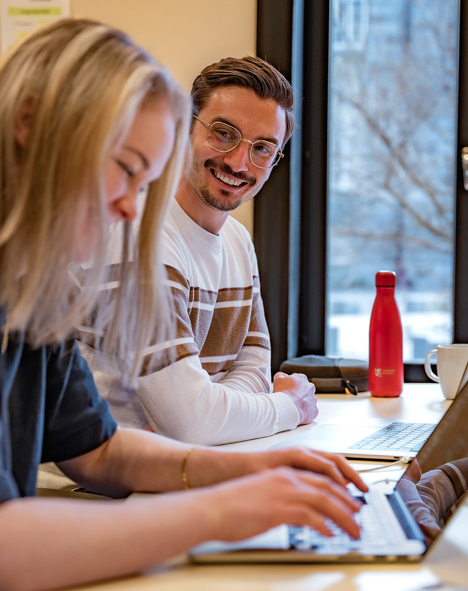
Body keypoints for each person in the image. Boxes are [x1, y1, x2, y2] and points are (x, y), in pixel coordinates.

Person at [0, 18, 369, 591]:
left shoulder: (32, 293)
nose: (130, 211)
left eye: (145, 183)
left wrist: (252, 468)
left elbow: (97, 451)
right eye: (124, 171)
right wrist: (218, 510)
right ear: (29, 125)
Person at [82, 55, 318, 445]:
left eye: (262, 148)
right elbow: (192, 423)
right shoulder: (141, 235)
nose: (239, 162)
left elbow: (252, 372)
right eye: (224, 133)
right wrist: (289, 407)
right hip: (93, 489)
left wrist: (207, 412)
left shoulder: (238, 242)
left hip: (178, 466)